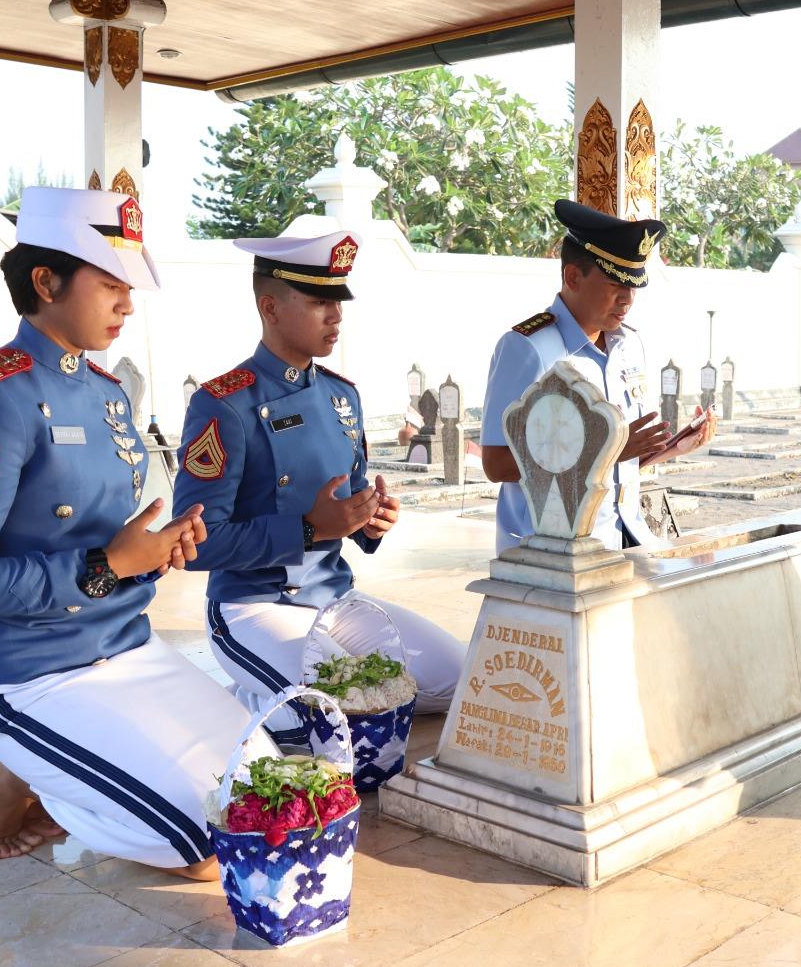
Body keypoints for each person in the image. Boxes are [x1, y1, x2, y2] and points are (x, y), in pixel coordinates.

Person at [0, 187, 269, 878]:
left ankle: (35, 764)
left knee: (265, 798)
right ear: (45, 282)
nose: (127, 304)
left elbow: (105, 536)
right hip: (29, 670)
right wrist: (107, 565)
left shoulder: (107, 393)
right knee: (203, 845)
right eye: (110, 285)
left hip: (122, 642)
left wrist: (156, 549)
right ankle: (22, 770)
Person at [173, 231, 464, 747]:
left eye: (337, 303)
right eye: (318, 302)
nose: (336, 315)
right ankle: (248, 701)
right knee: (336, 726)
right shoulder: (225, 405)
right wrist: (307, 529)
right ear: (270, 307)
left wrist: (369, 520)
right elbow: (197, 543)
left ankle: (274, 694)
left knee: (460, 680)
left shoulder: (341, 396)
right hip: (254, 605)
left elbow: (348, 505)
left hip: (334, 597)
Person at [480, 200, 716, 553]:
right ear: (573, 277)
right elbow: (497, 464)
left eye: (633, 286)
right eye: (614, 284)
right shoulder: (528, 348)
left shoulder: (629, 345)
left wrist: (672, 447)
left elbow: (619, 461)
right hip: (550, 552)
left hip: (624, 537)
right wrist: (609, 449)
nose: (627, 299)